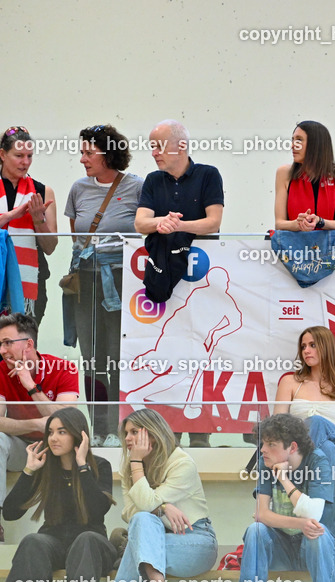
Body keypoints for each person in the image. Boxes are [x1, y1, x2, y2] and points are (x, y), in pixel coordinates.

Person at [135, 119, 223, 449]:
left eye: (159, 145)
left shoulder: (208, 174)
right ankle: (167, 431)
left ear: (181, 146)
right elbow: (140, 221)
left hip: (202, 276)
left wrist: (176, 227)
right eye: (152, 146)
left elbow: (214, 221)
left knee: (203, 352)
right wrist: (163, 223)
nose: (154, 152)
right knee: (170, 350)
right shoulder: (153, 180)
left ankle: (201, 434)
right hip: (168, 276)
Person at [0, 407, 115, 582]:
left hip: (92, 548)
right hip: (54, 544)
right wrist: (28, 471)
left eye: (62, 432)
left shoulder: (100, 466)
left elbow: (97, 510)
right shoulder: (45, 468)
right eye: (50, 432)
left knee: (86, 538)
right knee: (33, 540)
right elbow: (10, 513)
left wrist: (82, 466)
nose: (54, 438)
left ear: (79, 435)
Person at [64, 124, 143, 447]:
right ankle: (97, 429)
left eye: (88, 152)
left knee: (117, 353)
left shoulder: (137, 186)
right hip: (86, 279)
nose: (82, 158)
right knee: (91, 356)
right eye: (81, 152)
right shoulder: (78, 188)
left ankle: (118, 427)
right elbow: (76, 236)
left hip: (121, 279)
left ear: (108, 153)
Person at [106, 409, 217, 582]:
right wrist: (164, 507)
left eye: (134, 432)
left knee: (139, 538)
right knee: (142, 521)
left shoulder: (182, 463)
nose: (127, 438)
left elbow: (146, 504)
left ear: (153, 435)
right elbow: (129, 512)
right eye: (126, 433)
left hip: (196, 541)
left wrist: (137, 464)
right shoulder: (128, 467)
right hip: (156, 539)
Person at [236, 412, 335, 582]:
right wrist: (299, 524)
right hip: (284, 545)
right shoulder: (264, 462)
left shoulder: (318, 460)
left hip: (319, 548)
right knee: (255, 530)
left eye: (271, 444)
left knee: (318, 531)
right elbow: (261, 514)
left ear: (292, 447)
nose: (263, 450)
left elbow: (313, 514)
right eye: (262, 444)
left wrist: (284, 480)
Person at [0, 313, 79, 544]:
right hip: (21, 446)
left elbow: (66, 421)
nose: (2, 350)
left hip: (55, 450)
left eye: (7, 343)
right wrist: (37, 424)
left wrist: (31, 386)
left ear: (29, 344)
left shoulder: (65, 367)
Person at [0, 126, 57, 326]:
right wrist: (11, 216)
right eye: (19, 155)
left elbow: (50, 247)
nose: (25, 162)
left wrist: (38, 220)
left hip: (30, 283)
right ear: (2, 154)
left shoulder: (43, 191)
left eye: (29, 156)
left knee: (24, 345)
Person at [274, 325, 335, 470]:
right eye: (303, 346)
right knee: (326, 449)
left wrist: (323, 427)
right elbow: (276, 426)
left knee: (318, 423)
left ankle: (296, 483)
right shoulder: (289, 382)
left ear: (327, 347)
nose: (306, 351)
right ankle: (319, 492)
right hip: (297, 448)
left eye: (312, 345)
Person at [273, 120, 335, 233]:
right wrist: (297, 224)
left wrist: (320, 221)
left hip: (330, 249)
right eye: (293, 140)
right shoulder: (284, 173)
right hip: (294, 248)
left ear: (315, 144)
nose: (292, 145)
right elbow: (279, 223)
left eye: (299, 140)